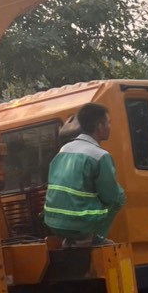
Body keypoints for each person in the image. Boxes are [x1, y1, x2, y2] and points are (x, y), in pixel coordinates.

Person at [43, 103, 125, 247]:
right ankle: (94, 237)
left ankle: (71, 239)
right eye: (108, 123)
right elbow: (110, 195)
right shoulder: (100, 155)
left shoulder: (64, 149)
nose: (110, 127)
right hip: (77, 224)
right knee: (119, 197)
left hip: (53, 220)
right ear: (100, 126)